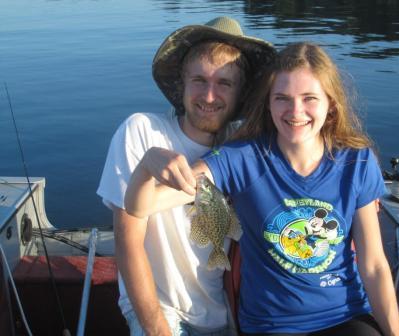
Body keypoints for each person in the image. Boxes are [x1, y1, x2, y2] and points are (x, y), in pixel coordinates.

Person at [125, 42, 399, 335]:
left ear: (331, 105)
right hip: (269, 325)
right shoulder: (240, 158)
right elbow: (140, 207)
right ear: (268, 104)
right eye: (282, 98)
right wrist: (146, 168)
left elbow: (373, 266)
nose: (295, 111)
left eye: (309, 98)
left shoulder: (356, 162)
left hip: (345, 316)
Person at [97, 16, 275, 335]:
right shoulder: (142, 132)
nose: (209, 96)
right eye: (199, 80)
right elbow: (127, 240)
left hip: (225, 313)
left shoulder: (243, 149)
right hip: (159, 309)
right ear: (182, 83)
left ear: (241, 92)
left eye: (224, 83)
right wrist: (157, 328)